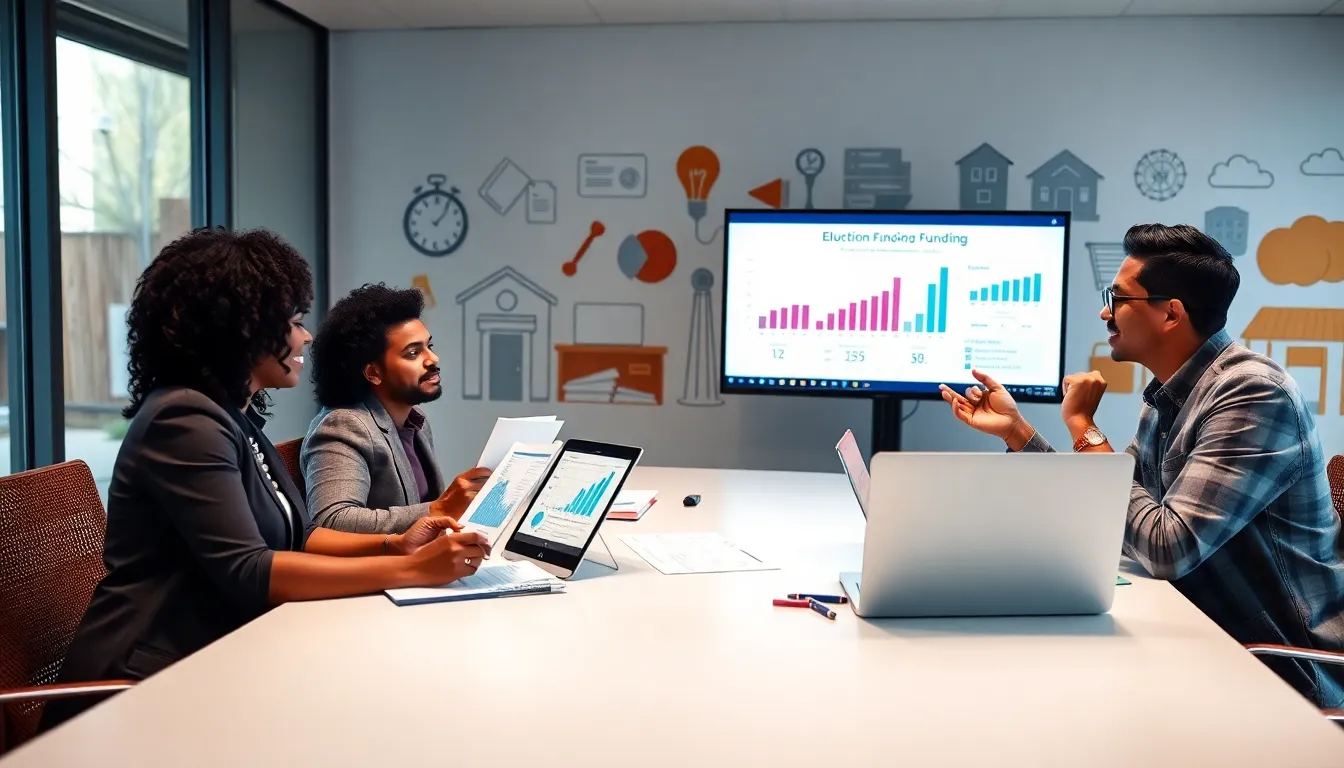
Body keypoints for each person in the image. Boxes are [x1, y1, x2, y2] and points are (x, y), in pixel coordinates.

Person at [41, 229, 490, 731]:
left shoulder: (233, 418)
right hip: (142, 686)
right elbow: (250, 571)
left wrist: (397, 546)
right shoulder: (182, 421)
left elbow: (299, 538)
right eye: (294, 323)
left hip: (213, 659)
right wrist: (413, 572)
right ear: (241, 331)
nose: (307, 337)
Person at [938, 223, 1344, 709]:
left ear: (1170, 313)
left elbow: (1166, 546)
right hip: (1203, 634)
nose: (1104, 312)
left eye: (1118, 298)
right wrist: (1017, 433)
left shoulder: (1253, 395)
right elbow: (1111, 506)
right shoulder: (1171, 393)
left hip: (1281, 668)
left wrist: (1084, 427)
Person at [303, 283, 488, 535]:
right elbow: (332, 520)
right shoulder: (344, 425)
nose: (433, 359)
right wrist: (437, 510)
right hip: (378, 572)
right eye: (413, 353)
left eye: (429, 346)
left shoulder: (415, 420)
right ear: (373, 373)